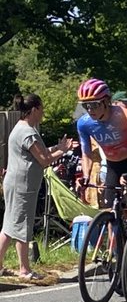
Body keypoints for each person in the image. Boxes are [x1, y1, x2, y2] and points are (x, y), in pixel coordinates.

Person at [0, 93, 72, 280]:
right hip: (23, 186)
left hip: (14, 182)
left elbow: (38, 153)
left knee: (9, 226)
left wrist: (57, 148)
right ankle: (25, 270)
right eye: (41, 108)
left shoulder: (22, 128)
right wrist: (63, 151)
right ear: (34, 110)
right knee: (23, 227)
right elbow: (44, 160)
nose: (43, 112)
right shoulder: (28, 132)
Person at [76, 79, 127, 208]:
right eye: (85, 105)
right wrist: (85, 176)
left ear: (106, 101)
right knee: (110, 208)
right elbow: (86, 154)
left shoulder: (124, 115)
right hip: (113, 166)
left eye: (94, 104)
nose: (90, 110)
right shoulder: (84, 124)